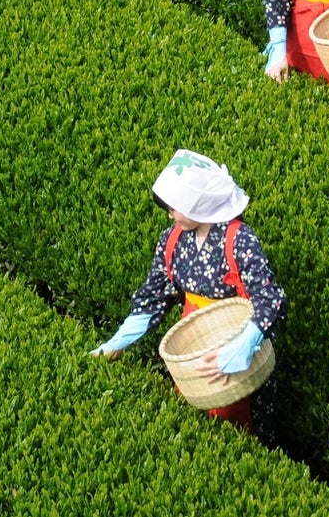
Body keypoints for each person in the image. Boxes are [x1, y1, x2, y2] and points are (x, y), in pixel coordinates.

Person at [91, 150, 287, 436]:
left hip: (235, 347)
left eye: (175, 208)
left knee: (238, 429)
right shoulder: (172, 239)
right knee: (192, 420)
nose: (171, 215)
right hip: (194, 346)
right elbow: (156, 293)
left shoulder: (238, 239)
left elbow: (270, 298)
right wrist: (120, 339)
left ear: (199, 203)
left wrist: (245, 343)